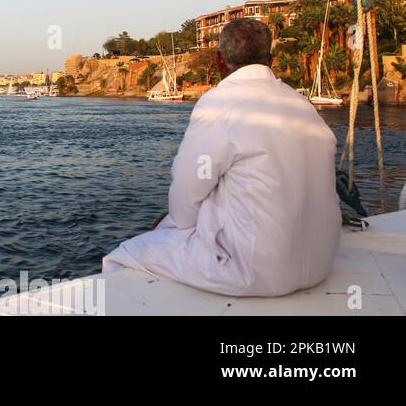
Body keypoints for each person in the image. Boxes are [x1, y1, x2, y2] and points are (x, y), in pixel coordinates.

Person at [102, 18, 341, 296]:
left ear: (218, 60)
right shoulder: (302, 103)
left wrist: (174, 227)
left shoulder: (219, 103)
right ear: (271, 60)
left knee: (124, 254)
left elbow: (187, 191)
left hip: (255, 271)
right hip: (320, 262)